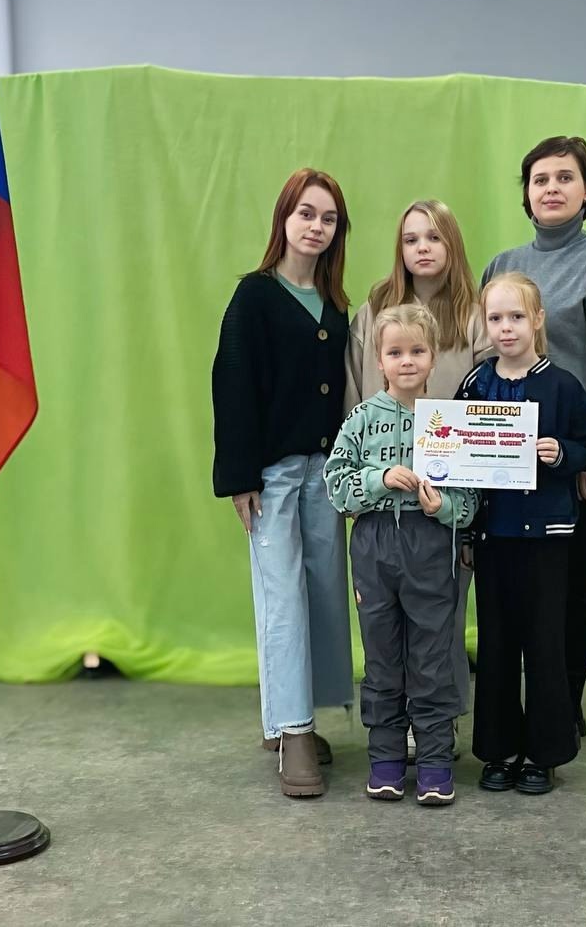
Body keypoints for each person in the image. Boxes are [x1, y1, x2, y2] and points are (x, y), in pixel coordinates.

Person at [481, 136, 586, 736]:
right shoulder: (503, 265)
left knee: (571, 578)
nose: (551, 188)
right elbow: (486, 356)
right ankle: (510, 713)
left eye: (565, 177)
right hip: (507, 450)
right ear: (527, 193)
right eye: (540, 179)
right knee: (513, 582)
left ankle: (562, 709)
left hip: (582, 446)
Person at [211, 168, 355, 798]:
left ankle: (297, 714)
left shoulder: (337, 306)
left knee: (324, 590)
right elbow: (232, 384)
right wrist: (240, 475)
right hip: (272, 475)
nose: (316, 227)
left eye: (328, 218)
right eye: (306, 214)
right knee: (282, 596)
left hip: (326, 471)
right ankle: (292, 732)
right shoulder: (255, 296)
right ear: (284, 219)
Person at [345, 200, 492, 748]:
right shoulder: (374, 310)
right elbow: (354, 399)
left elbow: (488, 407)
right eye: (411, 239)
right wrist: (364, 482)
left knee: (440, 621)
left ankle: (436, 724)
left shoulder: (475, 314)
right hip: (384, 502)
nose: (422, 248)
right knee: (386, 627)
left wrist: (466, 510)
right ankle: (392, 727)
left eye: (433, 237)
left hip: (446, 501)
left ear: (452, 243)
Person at [457, 273, 586, 795]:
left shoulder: (562, 385)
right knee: (497, 646)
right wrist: (466, 533)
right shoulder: (475, 385)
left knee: (545, 644)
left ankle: (544, 754)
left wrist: (562, 453)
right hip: (493, 537)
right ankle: (497, 751)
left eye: (516, 317)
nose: (506, 328)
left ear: (538, 320)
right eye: (495, 318)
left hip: (546, 537)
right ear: (485, 324)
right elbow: (458, 458)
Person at [325, 304, 478, 806]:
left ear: (433, 357)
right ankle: (386, 760)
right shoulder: (361, 420)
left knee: (432, 657)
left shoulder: (448, 422)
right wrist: (379, 479)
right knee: (383, 658)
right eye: (395, 352)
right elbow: (336, 485)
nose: (406, 361)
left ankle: (434, 763)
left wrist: (442, 507)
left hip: (431, 547)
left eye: (417, 351)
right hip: (374, 547)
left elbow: (470, 501)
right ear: (379, 360)